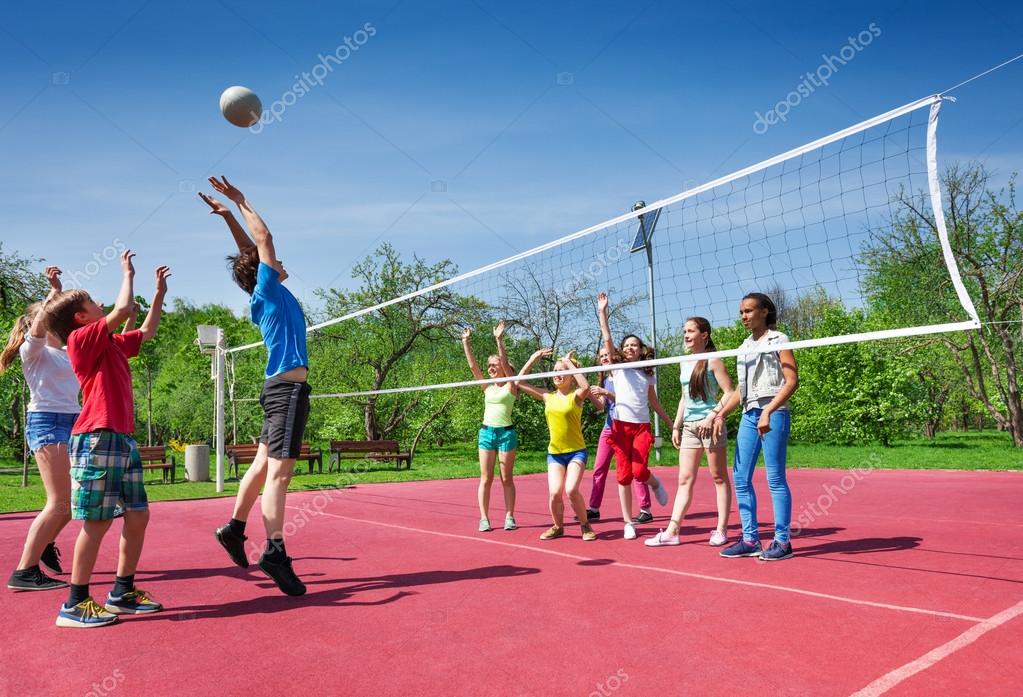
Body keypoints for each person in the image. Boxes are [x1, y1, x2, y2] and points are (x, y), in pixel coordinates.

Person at [45, 251, 170, 627]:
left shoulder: (111, 344)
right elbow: (124, 307)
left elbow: (146, 331)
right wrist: (127, 273)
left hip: (121, 439)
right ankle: (75, 602)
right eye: (90, 302)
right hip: (96, 437)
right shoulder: (81, 340)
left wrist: (160, 293)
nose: (98, 303)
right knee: (97, 522)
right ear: (81, 318)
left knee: (138, 515)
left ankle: (122, 592)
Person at [201, 177, 312, 595]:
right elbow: (263, 238)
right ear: (265, 271)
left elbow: (252, 250)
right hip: (286, 391)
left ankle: (234, 528)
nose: (281, 261)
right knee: (280, 475)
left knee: (262, 466)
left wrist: (229, 217)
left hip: (279, 389)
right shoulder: (266, 289)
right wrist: (240, 199)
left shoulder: (265, 292)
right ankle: (275, 551)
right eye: (273, 260)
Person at [3, 267, 77, 591]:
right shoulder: (32, 352)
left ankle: (44, 540)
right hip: (47, 422)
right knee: (58, 501)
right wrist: (54, 292)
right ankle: (24, 571)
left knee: (72, 504)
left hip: (73, 422)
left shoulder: (65, 353)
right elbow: (37, 329)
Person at [718, 293, 799, 561]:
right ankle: (751, 539)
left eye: (749, 311)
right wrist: (719, 415)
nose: (744, 316)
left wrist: (769, 410)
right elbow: (741, 391)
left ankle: (782, 542)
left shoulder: (779, 339)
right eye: (741, 311)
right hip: (748, 412)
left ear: (765, 312)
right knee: (740, 477)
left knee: (774, 478)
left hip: (772, 412)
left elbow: (791, 380)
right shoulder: (743, 347)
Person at [645, 317, 737, 548]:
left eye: (691, 331)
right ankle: (672, 532)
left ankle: (721, 530)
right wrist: (676, 425)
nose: (686, 335)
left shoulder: (713, 360)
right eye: (684, 331)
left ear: (704, 335)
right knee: (684, 479)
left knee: (718, 477)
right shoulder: (684, 362)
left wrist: (712, 416)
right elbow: (684, 398)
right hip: (689, 428)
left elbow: (729, 392)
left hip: (711, 425)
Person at [595, 292, 673, 540]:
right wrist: (603, 312)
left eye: (634, 345)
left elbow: (654, 403)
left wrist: (672, 424)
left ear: (641, 351)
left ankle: (656, 483)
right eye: (626, 345)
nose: (630, 348)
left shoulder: (647, 375)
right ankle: (628, 522)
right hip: (619, 427)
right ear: (622, 350)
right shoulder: (616, 367)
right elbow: (607, 337)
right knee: (623, 475)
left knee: (640, 472)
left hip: (641, 427)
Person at [517, 348, 597, 541]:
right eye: (555, 370)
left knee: (570, 489)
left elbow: (586, 386)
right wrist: (533, 357)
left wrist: (568, 363)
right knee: (554, 493)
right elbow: (518, 382)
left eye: (562, 372)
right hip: (555, 453)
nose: (557, 374)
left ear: (570, 376)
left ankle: (585, 525)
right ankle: (558, 526)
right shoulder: (547, 396)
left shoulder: (576, 396)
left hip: (577, 452)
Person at [584, 345, 654, 523]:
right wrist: (586, 388)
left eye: (607, 354)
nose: (604, 358)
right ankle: (594, 508)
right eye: (601, 356)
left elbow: (626, 399)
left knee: (634, 468)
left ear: (615, 355)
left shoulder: (625, 373)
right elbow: (600, 406)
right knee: (599, 467)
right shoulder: (605, 379)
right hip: (610, 427)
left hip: (628, 426)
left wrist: (608, 393)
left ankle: (645, 509)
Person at [461, 322, 519, 532]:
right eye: (490, 366)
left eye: (495, 365)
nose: (491, 368)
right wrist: (466, 342)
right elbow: (473, 367)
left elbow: (504, 362)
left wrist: (499, 339)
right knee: (486, 478)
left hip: (506, 434)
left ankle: (509, 516)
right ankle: (484, 518)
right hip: (487, 433)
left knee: (506, 478)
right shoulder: (487, 387)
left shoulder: (511, 385)